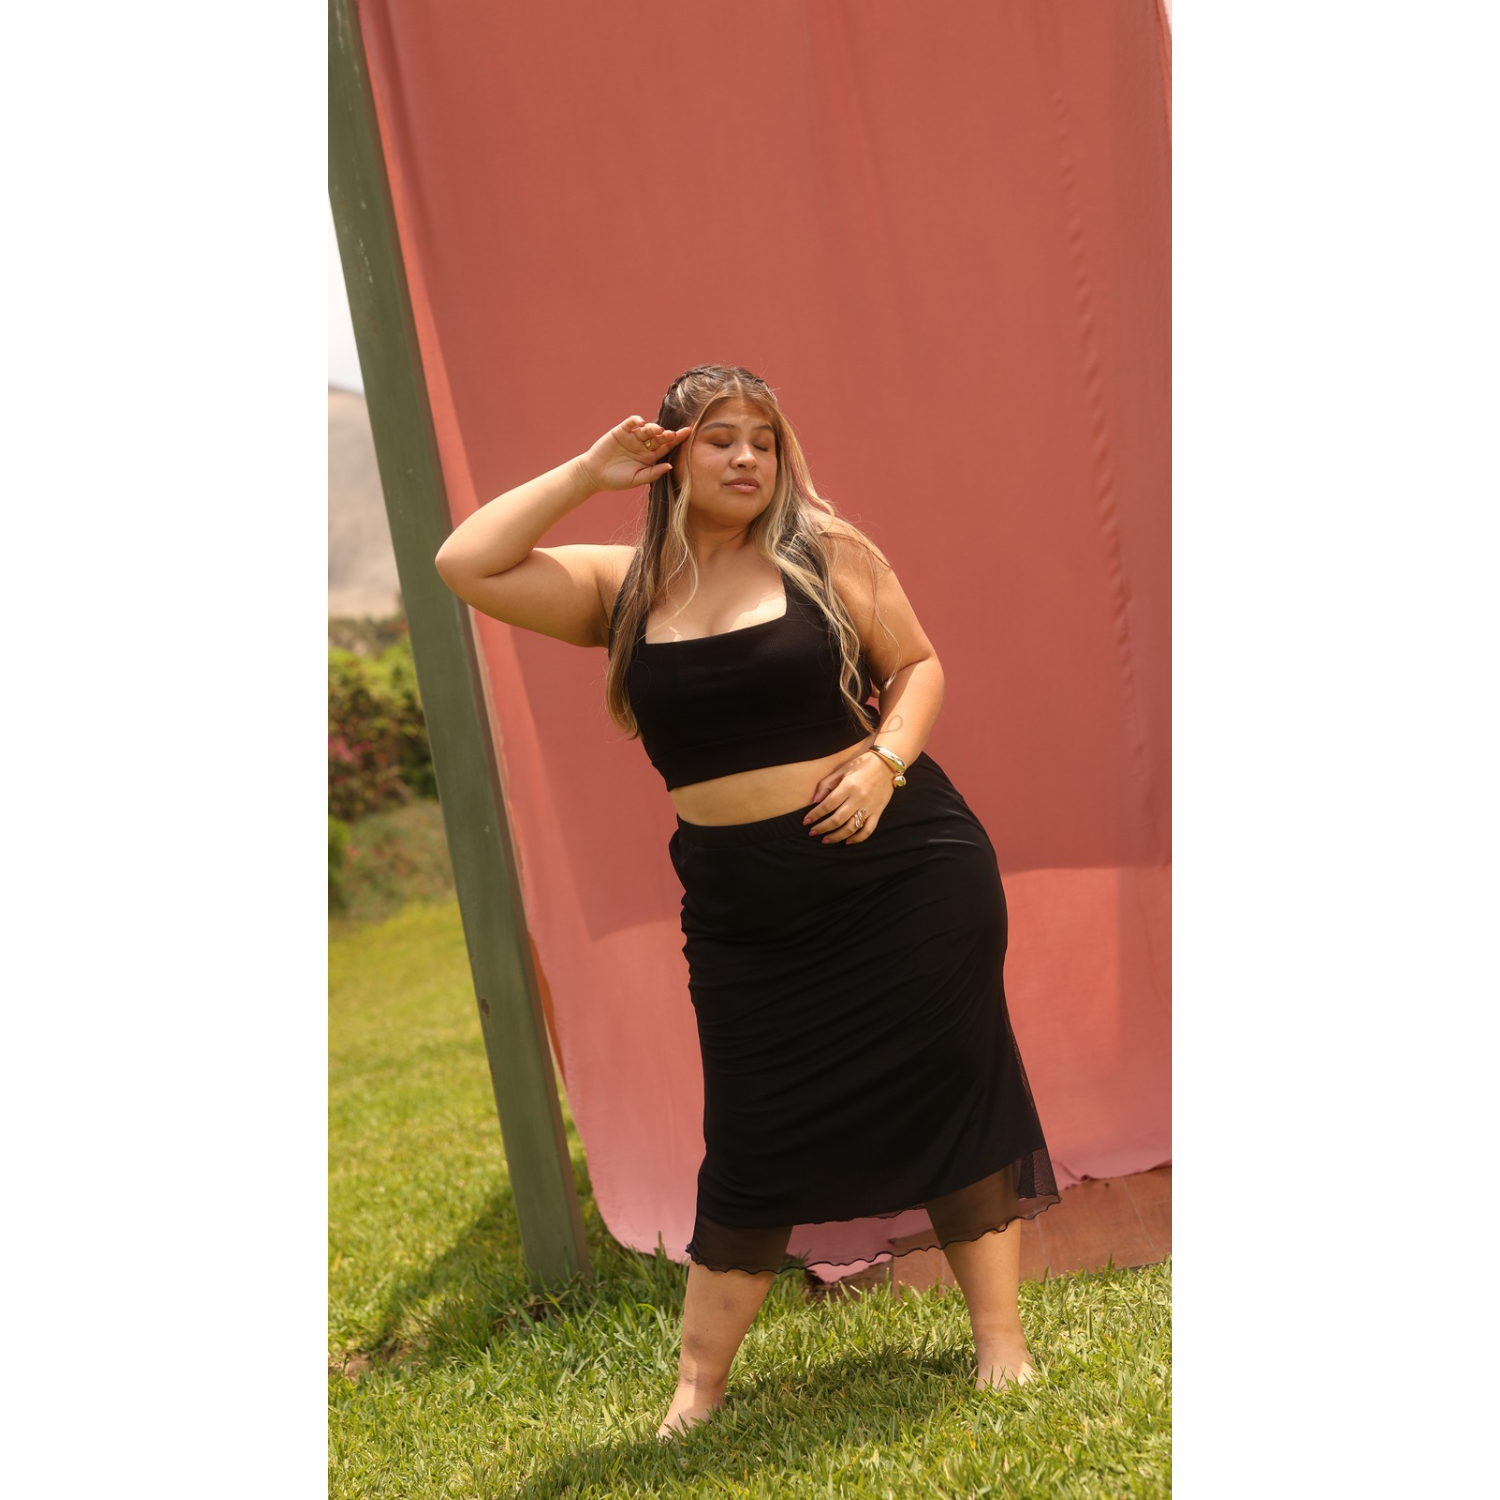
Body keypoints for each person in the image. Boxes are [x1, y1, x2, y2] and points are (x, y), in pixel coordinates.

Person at [434, 364, 1059, 1438]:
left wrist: (883, 766)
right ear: (671, 456)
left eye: (763, 440)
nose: (746, 458)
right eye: (719, 438)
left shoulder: (827, 554)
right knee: (751, 1131)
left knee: (955, 1086)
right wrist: (587, 473)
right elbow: (466, 563)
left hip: (902, 872)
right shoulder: (623, 589)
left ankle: (1002, 1343)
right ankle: (697, 1390)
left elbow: (917, 667)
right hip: (743, 909)